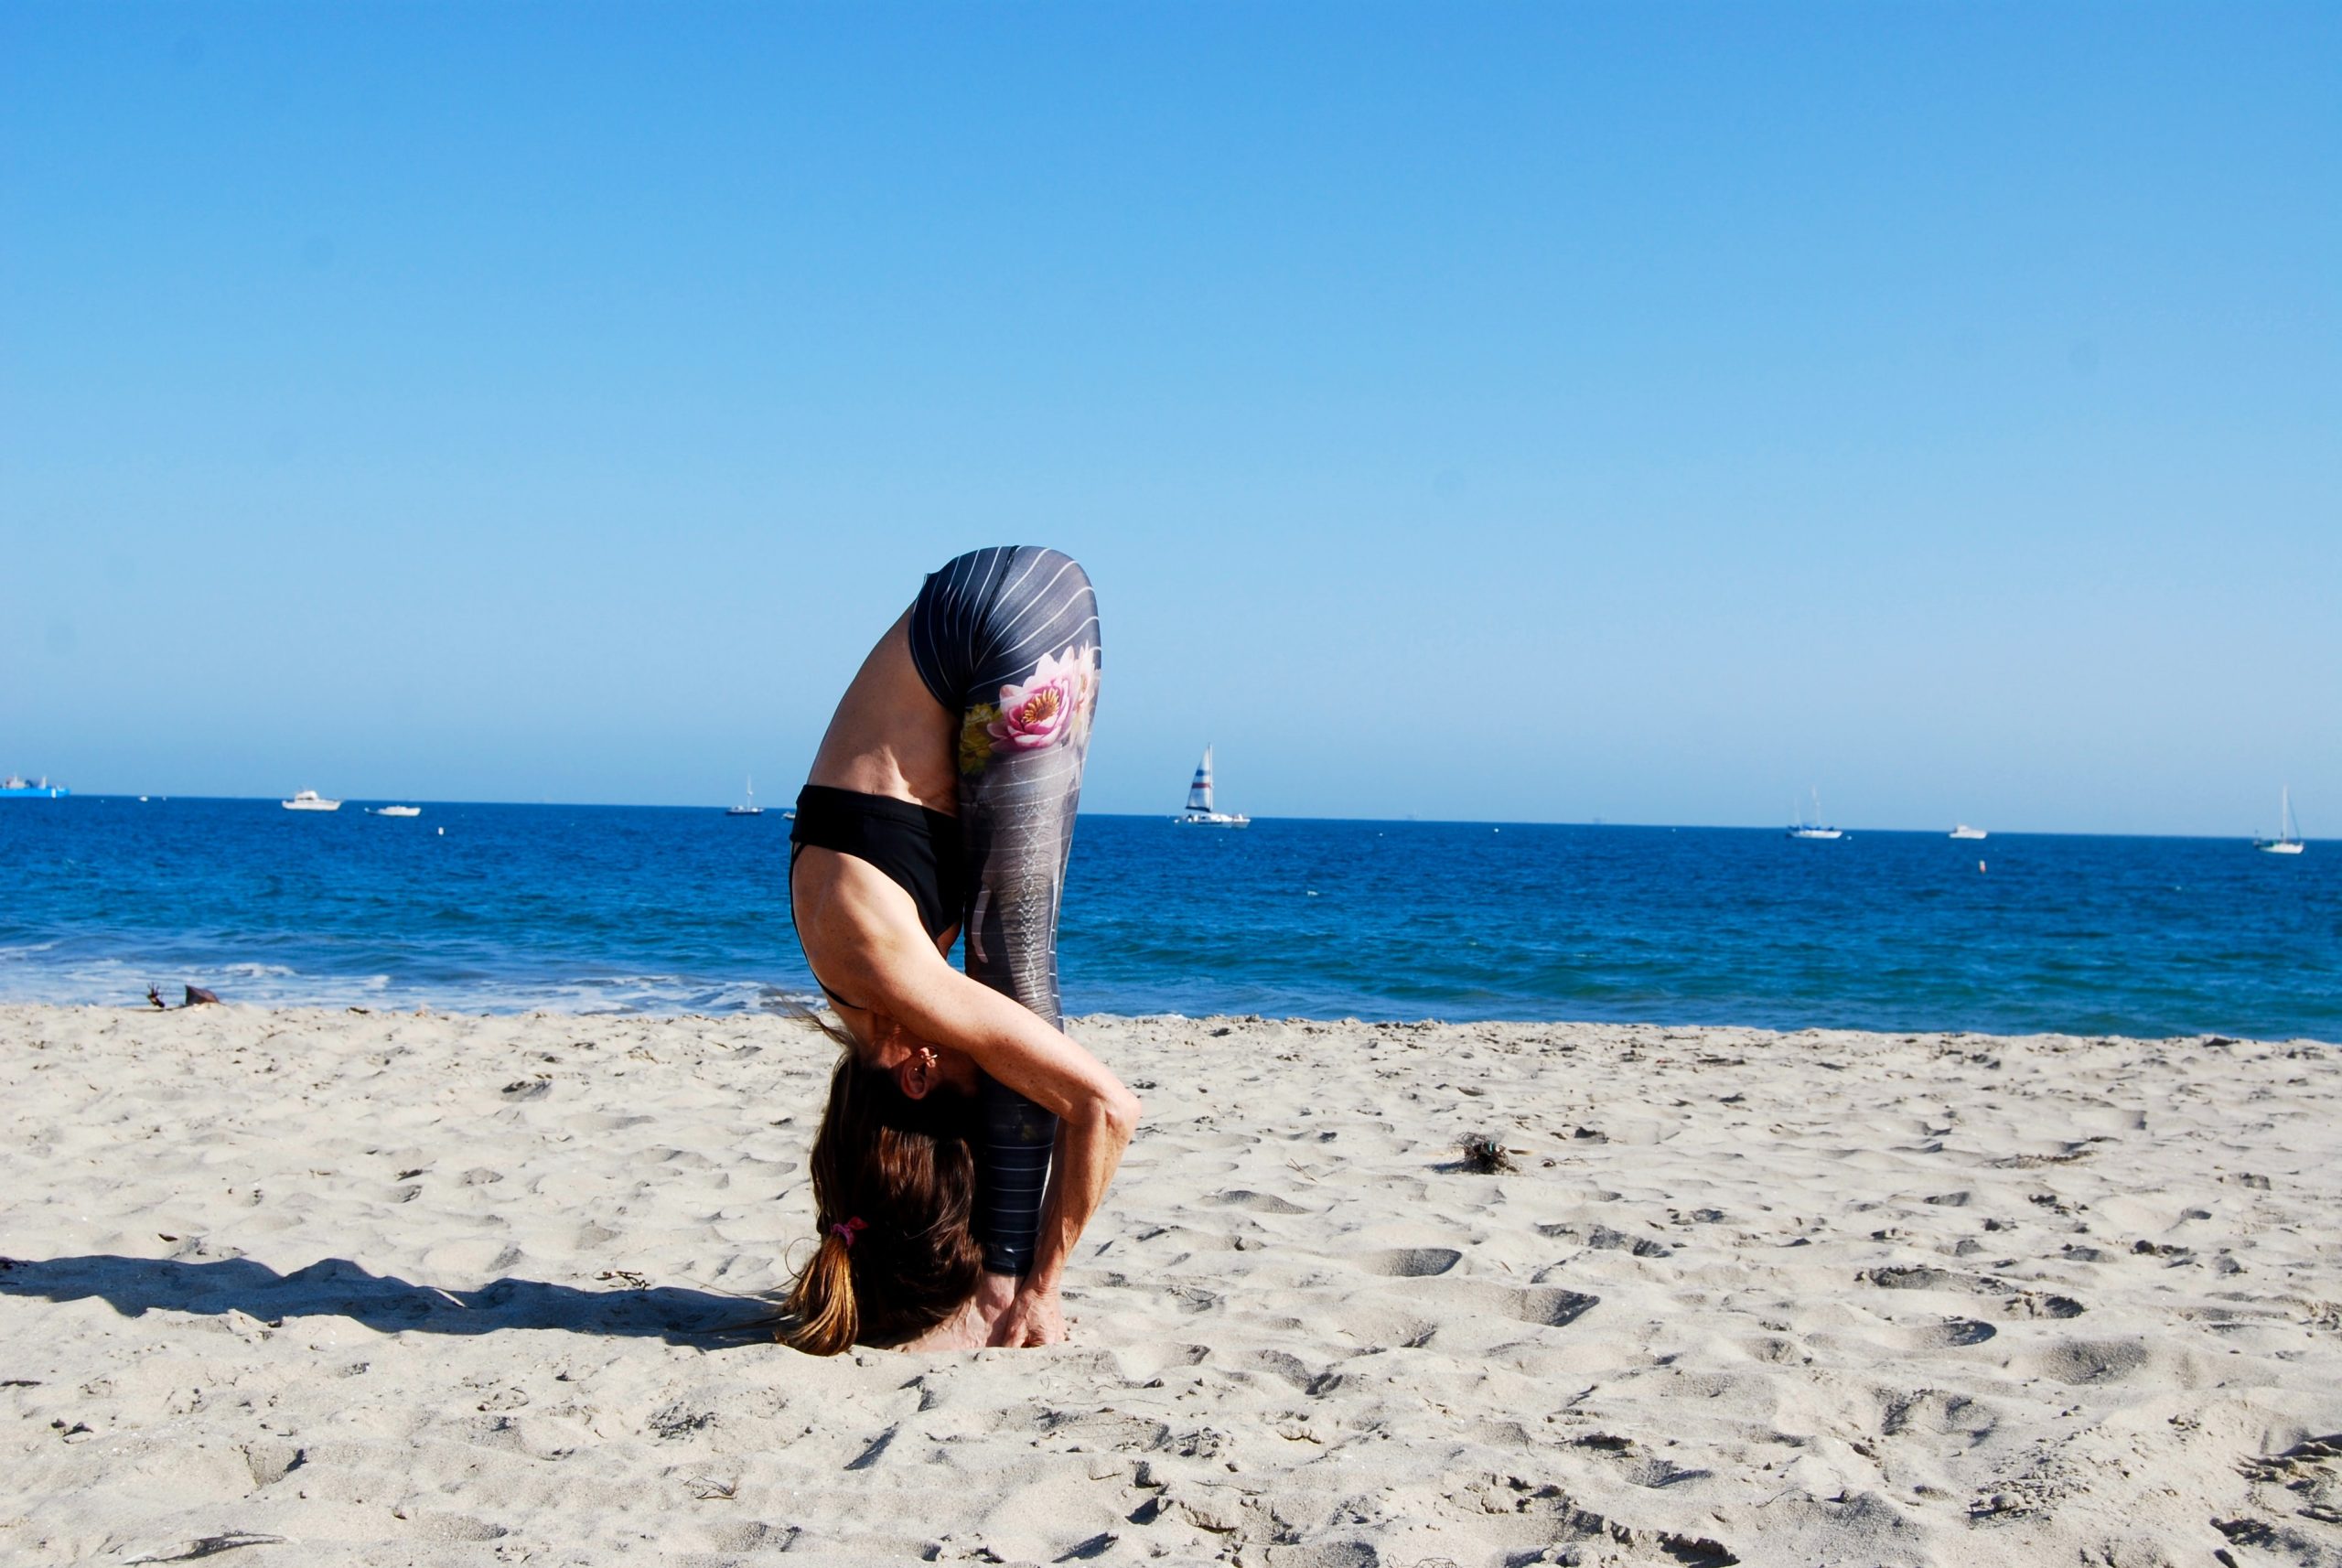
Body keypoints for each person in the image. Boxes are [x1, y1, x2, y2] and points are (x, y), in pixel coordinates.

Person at [781, 547, 1140, 1354]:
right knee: (1006, 965)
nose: (995, 1074)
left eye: (974, 1098)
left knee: (1017, 976)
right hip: (987, 610)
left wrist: (1040, 1287)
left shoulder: (890, 975)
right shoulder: (849, 971)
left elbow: (1106, 1108)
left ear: (916, 1073)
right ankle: (998, 1283)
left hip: (1003, 623)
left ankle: (1001, 1295)